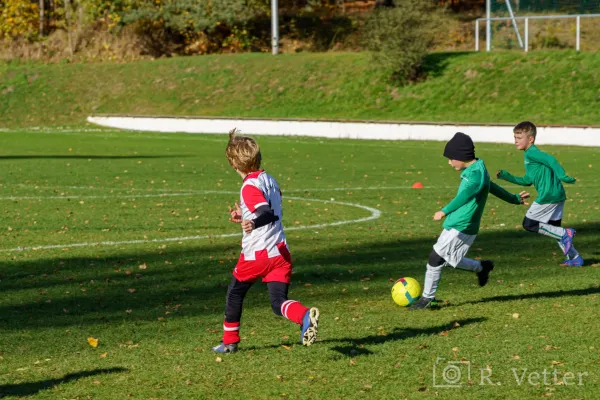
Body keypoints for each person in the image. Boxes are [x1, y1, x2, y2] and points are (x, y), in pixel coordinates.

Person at [212, 129, 319, 353]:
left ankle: (229, 342)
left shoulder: (248, 187)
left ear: (233, 164)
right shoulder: (268, 179)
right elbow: (270, 209)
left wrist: (253, 223)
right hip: (280, 252)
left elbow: (266, 212)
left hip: (257, 254)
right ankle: (304, 315)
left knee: (235, 292)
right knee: (277, 302)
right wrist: (245, 216)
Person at [410, 132, 530, 310]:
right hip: (460, 223)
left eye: (451, 158)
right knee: (451, 259)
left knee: (435, 258)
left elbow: (464, 196)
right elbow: (492, 187)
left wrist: (443, 211)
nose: (449, 162)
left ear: (461, 156)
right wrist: (513, 199)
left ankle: (428, 299)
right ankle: (482, 267)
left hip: (462, 225)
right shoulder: (478, 169)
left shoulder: (474, 176)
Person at [496, 121, 582, 267]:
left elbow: (551, 159)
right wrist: (506, 176)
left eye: (519, 138)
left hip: (548, 195)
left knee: (529, 223)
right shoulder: (529, 156)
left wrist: (562, 176)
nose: (515, 141)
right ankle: (575, 258)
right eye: (515, 137)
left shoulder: (532, 152)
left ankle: (565, 234)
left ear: (530, 139)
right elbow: (527, 180)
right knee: (553, 228)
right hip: (557, 194)